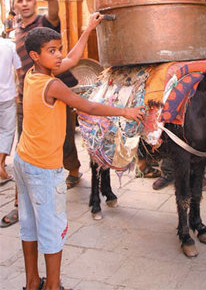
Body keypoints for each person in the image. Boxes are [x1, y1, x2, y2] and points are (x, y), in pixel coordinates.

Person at [15, 22, 144, 290]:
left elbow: (73, 59)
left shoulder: (32, 74)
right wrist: (124, 112)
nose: (59, 55)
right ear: (37, 56)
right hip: (43, 169)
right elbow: (88, 106)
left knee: (29, 226)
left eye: (59, 49)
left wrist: (88, 29)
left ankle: (31, 283)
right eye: (52, 51)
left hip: (23, 161)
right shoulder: (52, 85)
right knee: (52, 230)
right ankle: (52, 286)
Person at [0, 0, 80, 228]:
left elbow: (55, 16)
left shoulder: (44, 22)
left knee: (65, 138)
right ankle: (18, 204)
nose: (24, 3)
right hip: (27, 95)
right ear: (14, 6)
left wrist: (52, 0)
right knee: (23, 147)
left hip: (54, 91)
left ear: (35, 2)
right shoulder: (16, 32)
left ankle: (74, 171)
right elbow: (18, 66)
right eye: (19, 0)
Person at [0, 37, 21, 186]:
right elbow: (20, 70)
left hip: (7, 96)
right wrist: (20, 91)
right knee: (7, 131)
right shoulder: (8, 45)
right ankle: (0, 165)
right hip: (6, 95)